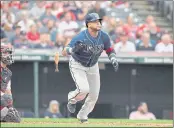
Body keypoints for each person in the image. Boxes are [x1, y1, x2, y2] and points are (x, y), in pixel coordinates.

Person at [62, 13, 119, 123]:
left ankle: (82, 116)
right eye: (95, 21)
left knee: (94, 95)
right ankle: (72, 99)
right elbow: (64, 51)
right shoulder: (81, 37)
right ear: (88, 24)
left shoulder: (104, 36)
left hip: (93, 66)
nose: (98, 23)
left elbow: (109, 49)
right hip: (78, 64)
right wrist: (72, 50)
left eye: (99, 21)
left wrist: (113, 58)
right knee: (84, 89)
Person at [0, 44, 21, 123]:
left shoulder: (8, 72)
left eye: (9, 53)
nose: (8, 55)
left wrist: (10, 107)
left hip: (2, 100)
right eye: (6, 53)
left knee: (14, 118)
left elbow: (8, 91)